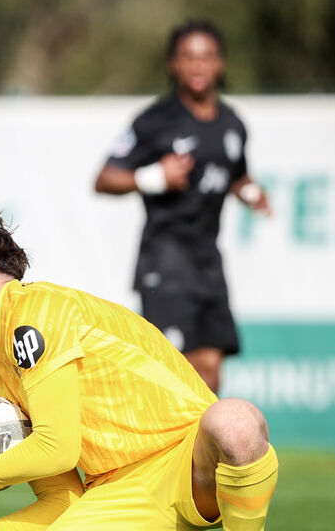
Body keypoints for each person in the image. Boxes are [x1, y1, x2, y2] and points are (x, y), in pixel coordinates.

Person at [0, 214, 279, 531]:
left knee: (234, 422)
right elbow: (63, 500)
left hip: (188, 460)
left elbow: (57, 448)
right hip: (117, 493)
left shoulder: (35, 311)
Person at [94, 20, 269, 393]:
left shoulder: (233, 125)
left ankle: (199, 452)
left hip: (207, 262)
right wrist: (152, 177)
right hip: (164, 261)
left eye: (206, 57)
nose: (197, 66)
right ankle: (163, 451)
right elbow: (105, 179)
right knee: (177, 375)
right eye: (187, 57)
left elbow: (235, 175)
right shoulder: (155, 121)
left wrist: (251, 193)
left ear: (220, 64)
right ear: (172, 65)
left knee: (211, 375)